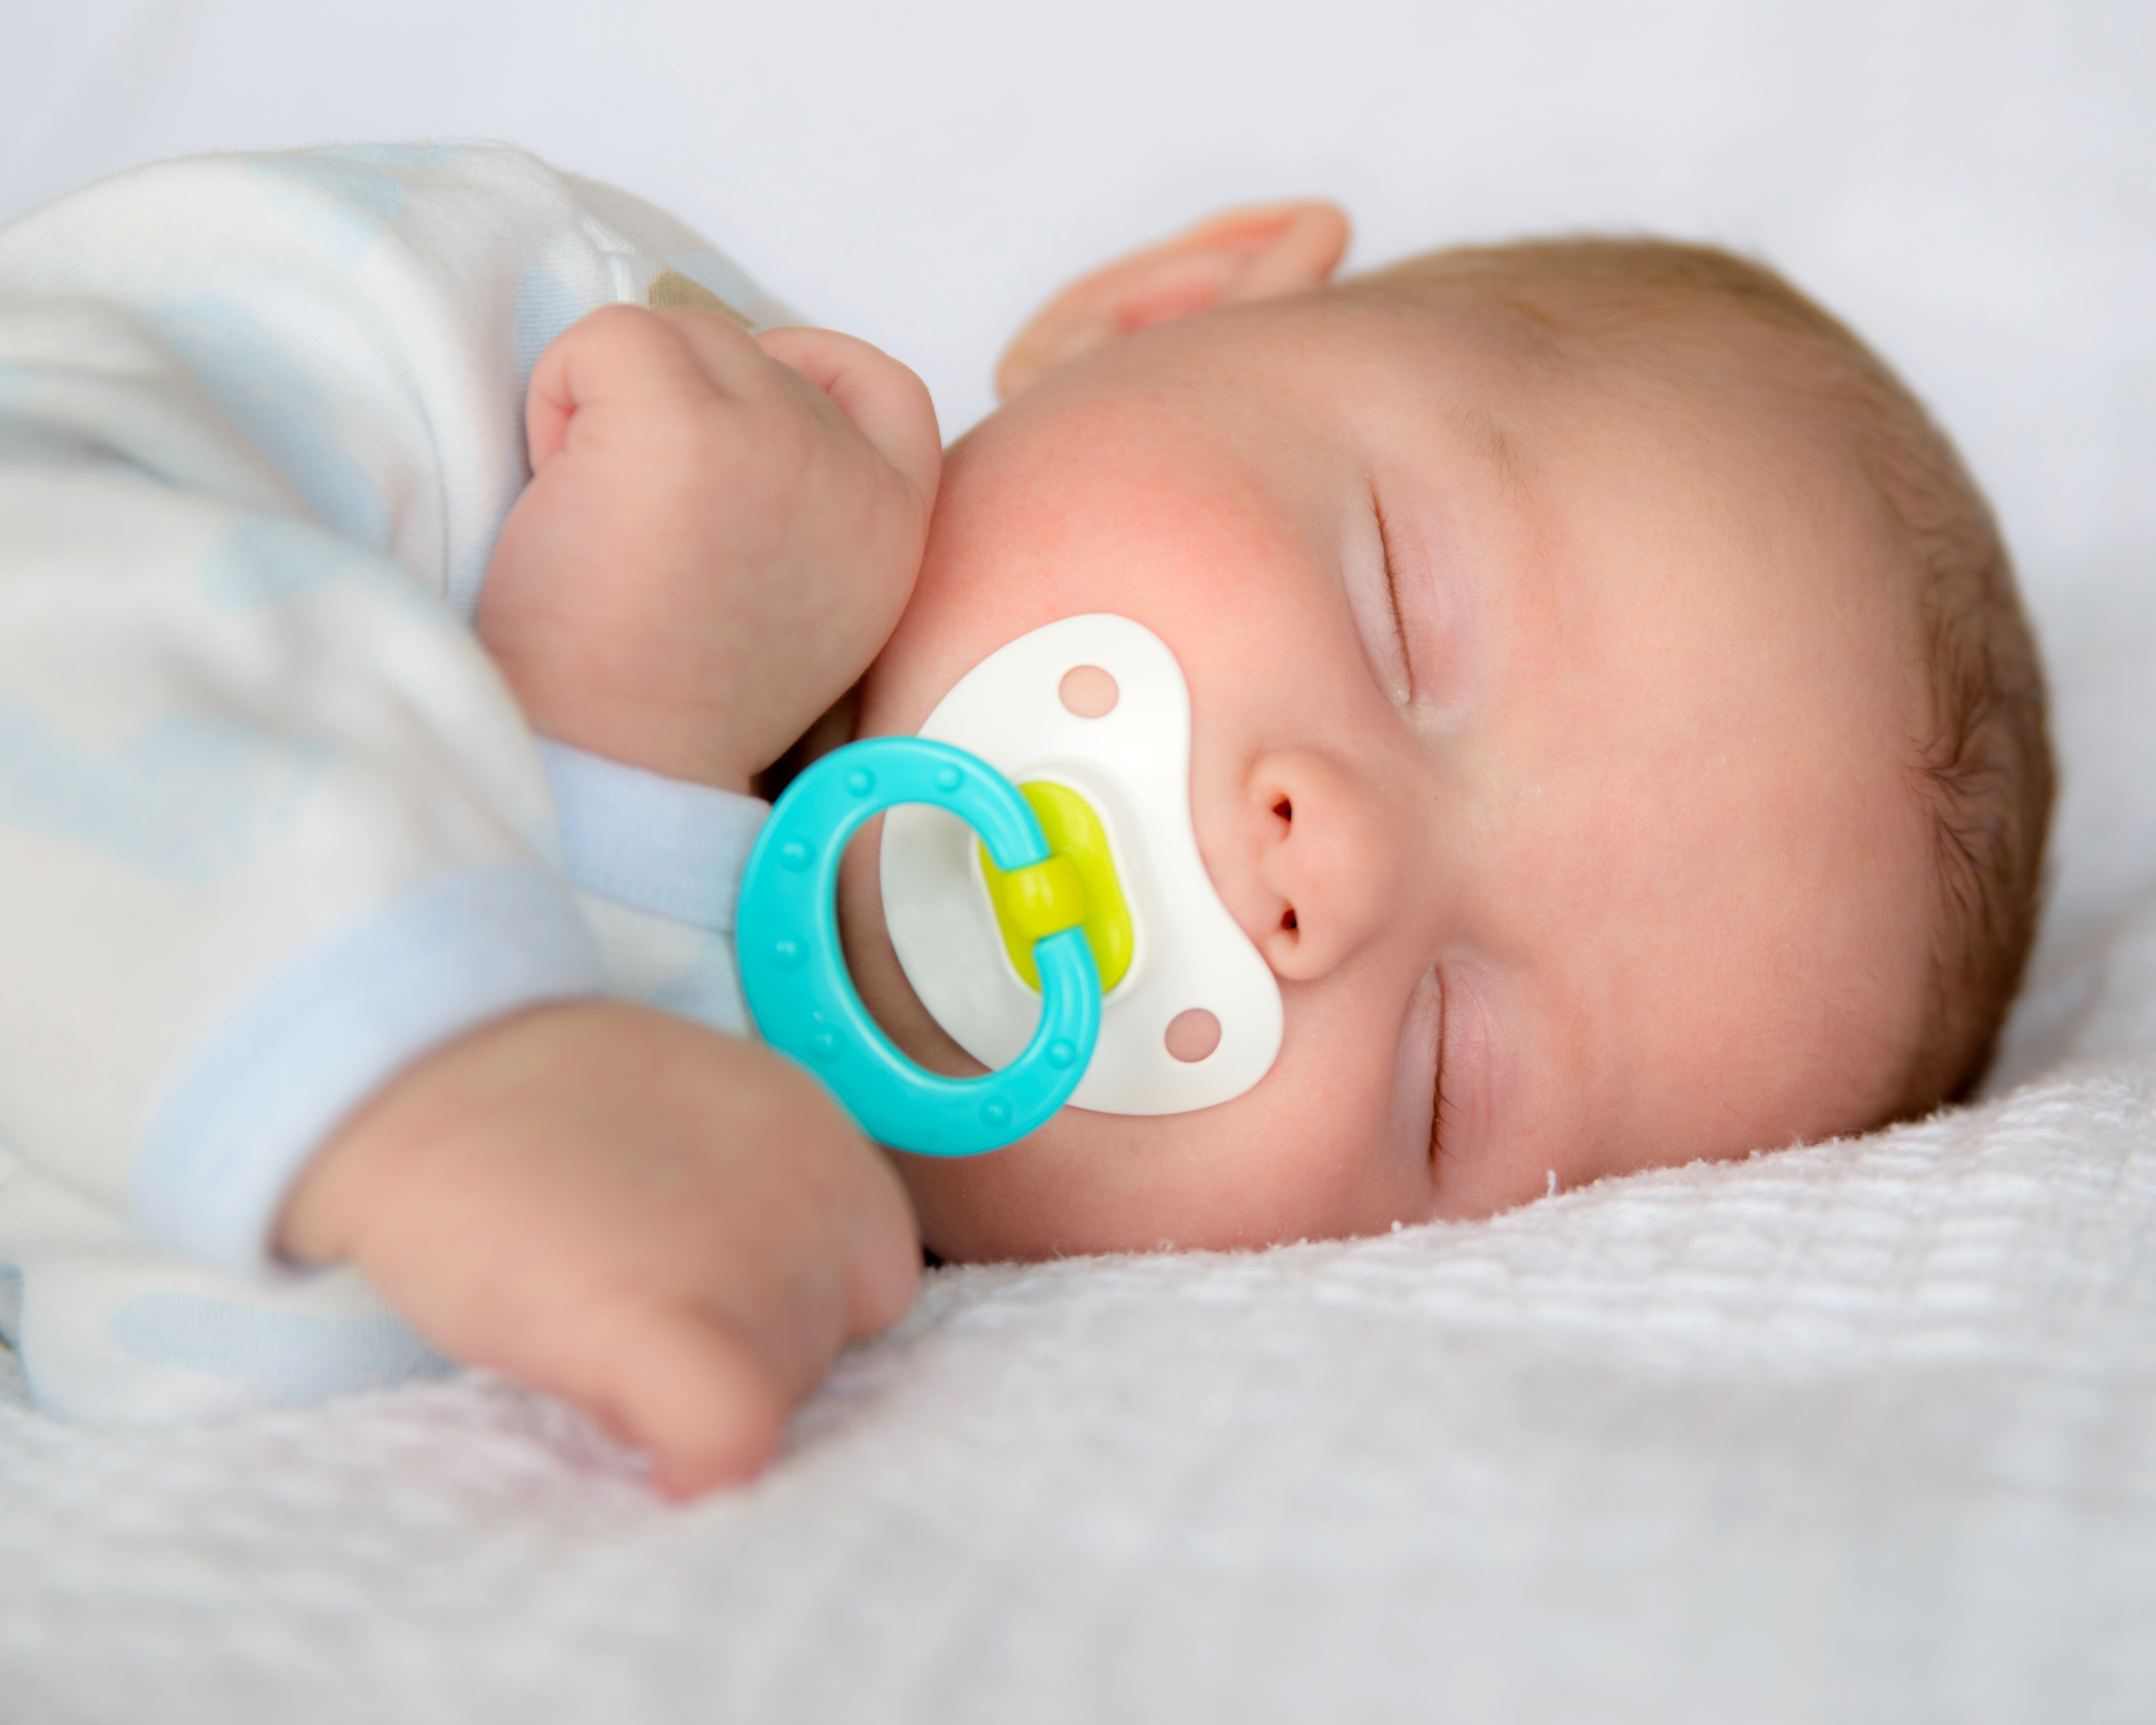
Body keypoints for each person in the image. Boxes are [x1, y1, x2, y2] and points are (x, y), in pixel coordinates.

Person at [0, 144, 2050, 1496]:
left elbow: (182, 1432)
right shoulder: (539, 352)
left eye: (1449, 1074)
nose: (1318, 869)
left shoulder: (819, 1312)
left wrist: (615, 826)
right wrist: (441, 1065)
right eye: (1397, 603)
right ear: (1162, 315)